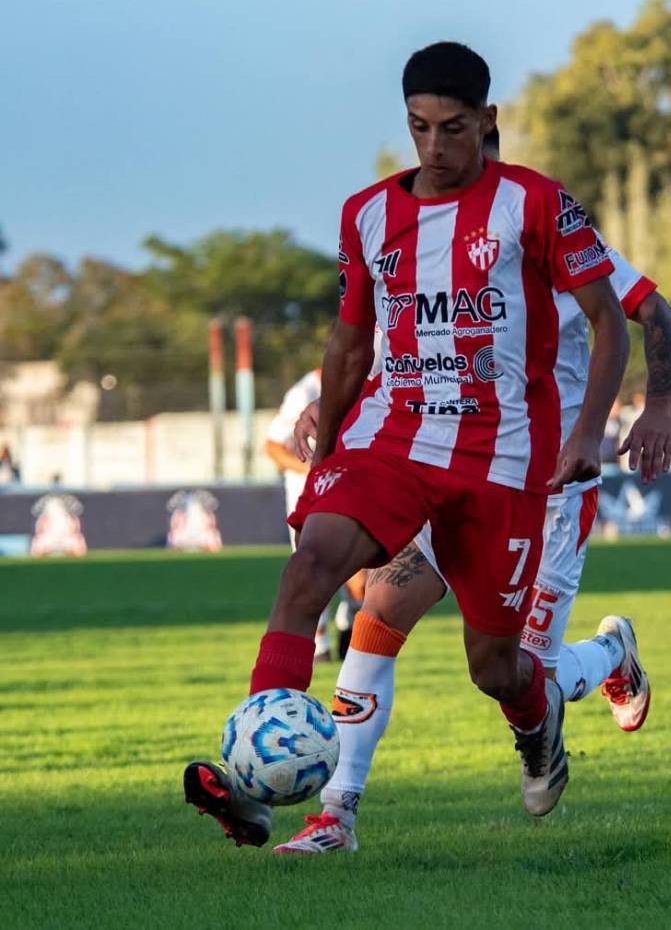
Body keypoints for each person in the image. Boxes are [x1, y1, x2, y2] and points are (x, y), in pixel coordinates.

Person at [184, 41, 630, 844]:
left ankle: (538, 721)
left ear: (486, 121)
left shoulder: (534, 204)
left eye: (452, 127)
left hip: (503, 461)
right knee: (309, 570)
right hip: (392, 440)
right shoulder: (367, 214)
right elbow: (350, 341)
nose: (434, 145)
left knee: (495, 666)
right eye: (419, 127)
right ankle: (256, 777)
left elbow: (610, 320)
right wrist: (327, 453)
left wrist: (592, 429)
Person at [269, 244, 671, 854]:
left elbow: (653, 311)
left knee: (515, 674)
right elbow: (408, 351)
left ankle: (609, 654)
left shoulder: (549, 230)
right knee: (377, 616)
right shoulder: (434, 242)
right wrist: (339, 402)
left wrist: (660, 406)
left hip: (550, 494)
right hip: (454, 474)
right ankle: (335, 815)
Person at [266, 369, 363, 660]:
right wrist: (313, 468)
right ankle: (318, 644)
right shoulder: (304, 393)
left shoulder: (369, 379)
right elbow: (273, 447)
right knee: (311, 566)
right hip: (307, 494)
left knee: (358, 571)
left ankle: (350, 627)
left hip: (350, 487)